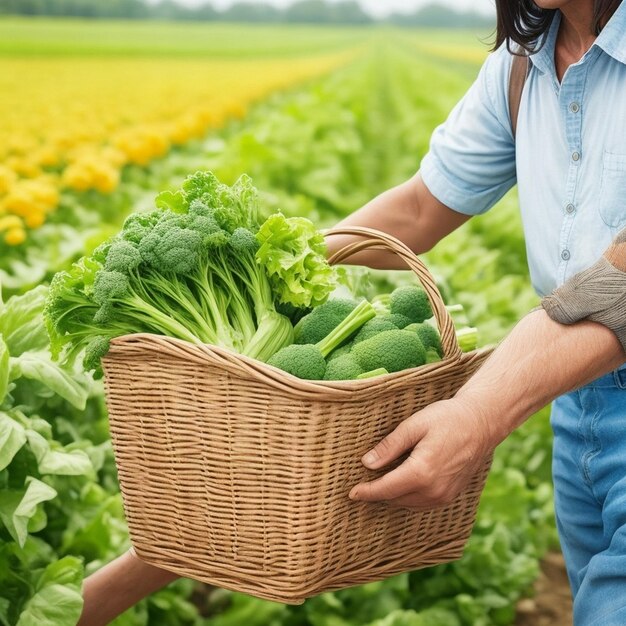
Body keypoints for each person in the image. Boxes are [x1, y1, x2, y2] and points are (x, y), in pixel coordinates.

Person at [78, 1, 626, 624]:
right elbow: (422, 208)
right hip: (576, 402)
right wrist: (275, 271)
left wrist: (477, 411)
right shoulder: (522, 65)